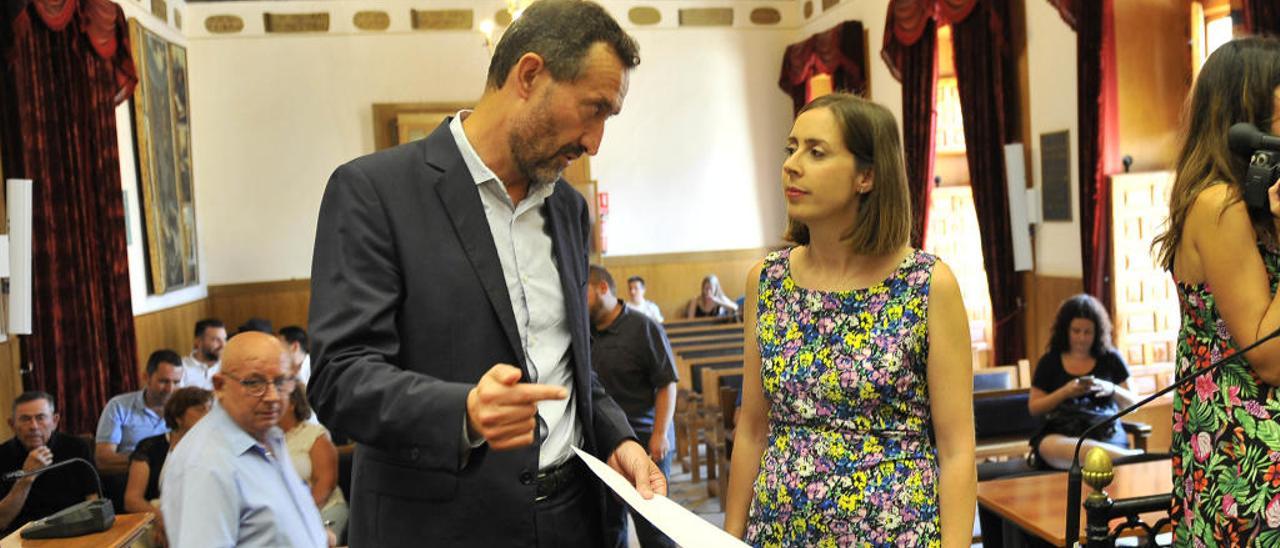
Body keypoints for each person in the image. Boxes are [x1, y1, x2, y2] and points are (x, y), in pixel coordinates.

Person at [306, 1, 663, 545]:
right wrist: (464, 412)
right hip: (444, 526)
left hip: (575, 518)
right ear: (529, 74)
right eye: (593, 109)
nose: (594, 142)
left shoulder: (567, 209)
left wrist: (619, 438)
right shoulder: (375, 193)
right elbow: (339, 378)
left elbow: (569, 364)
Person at [723, 93, 976, 546]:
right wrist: (729, 538)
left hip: (892, 534)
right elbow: (753, 428)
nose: (792, 165)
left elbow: (957, 452)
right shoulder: (766, 280)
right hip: (780, 532)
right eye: (791, 148)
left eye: (816, 152)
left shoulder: (927, 284)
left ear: (866, 175)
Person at [1150, 36, 1280, 544]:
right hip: (1248, 461)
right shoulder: (1217, 205)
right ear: (1247, 123)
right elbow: (1269, 356)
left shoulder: (1252, 208)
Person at [161, 332, 329, 547]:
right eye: (254, 383)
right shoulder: (205, 463)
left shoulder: (267, 435)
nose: (272, 397)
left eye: (280, 382)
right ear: (220, 386)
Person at [587, 265, 678, 547]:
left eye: (582, 292)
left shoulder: (642, 326)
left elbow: (667, 383)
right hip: (603, 443)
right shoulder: (583, 331)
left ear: (602, 288)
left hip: (645, 438)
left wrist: (660, 433)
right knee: (609, 528)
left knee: (654, 528)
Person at [1026, 294, 1140, 469]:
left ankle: (1116, 457)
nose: (1081, 338)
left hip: (1106, 432)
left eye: (1088, 332)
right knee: (1048, 445)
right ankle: (1127, 458)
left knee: (1088, 449)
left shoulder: (1111, 358)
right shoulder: (1050, 361)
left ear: (1097, 332)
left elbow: (1135, 403)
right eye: (1076, 331)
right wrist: (1065, 392)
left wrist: (1111, 389)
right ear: (1066, 331)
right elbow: (1035, 407)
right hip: (1062, 434)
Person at [124, 387, 212, 545]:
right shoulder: (150, 447)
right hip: (155, 518)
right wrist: (162, 519)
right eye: (200, 410)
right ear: (178, 416)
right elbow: (132, 500)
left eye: (210, 410)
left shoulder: (215, 449)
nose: (208, 416)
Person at [0, 391, 97, 535]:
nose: (33, 426)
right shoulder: (2, 455)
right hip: (21, 536)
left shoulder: (76, 447)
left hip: (74, 530)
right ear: (12, 425)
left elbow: (93, 500)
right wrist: (27, 478)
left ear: (55, 421)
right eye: (25, 419)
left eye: (40, 418)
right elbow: (2, 521)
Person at [96, 350, 184, 475]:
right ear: (146, 377)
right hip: (128, 479)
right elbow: (103, 460)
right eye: (164, 381)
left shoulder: (186, 411)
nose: (170, 389)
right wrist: (147, 459)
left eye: (176, 382)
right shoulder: (118, 406)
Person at [281, 384, 349, 540]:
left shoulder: (314, 435)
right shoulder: (266, 440)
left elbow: (326, 484)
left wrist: (298, 514)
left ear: (292, 404)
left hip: (323, 509)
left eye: (279, 397)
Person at [182, 318, 226, 390]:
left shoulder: (228, 366)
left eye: (224, 339)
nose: (223, 345)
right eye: (216, 340)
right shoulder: (181, 368)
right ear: (198, 341)